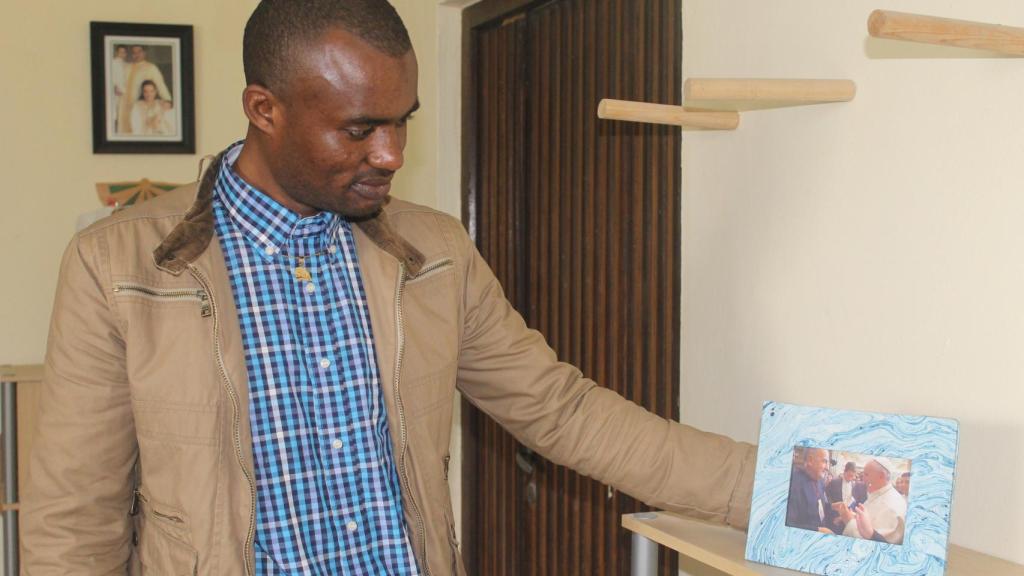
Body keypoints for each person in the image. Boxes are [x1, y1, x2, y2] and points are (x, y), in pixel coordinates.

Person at [21, 1, 755, 574]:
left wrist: (784, 489)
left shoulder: (433, 252)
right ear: (264, 109)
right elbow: (75, 521)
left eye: (402, 122)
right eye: (359, 129)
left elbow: (563, 411)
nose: (393, 153)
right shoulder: (118, 267)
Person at [832, 458, 908, 545]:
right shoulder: (879, 493)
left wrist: (849, 520)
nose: (863, 479)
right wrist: (850, 514)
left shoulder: (892, 507)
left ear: (881, 476)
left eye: (866, 474)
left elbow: (870, 545)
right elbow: (870, 518)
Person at [117, 44, 173, 134]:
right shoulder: (126, 67)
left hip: (139, 107)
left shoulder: (151, 68)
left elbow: (160, 85)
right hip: (123, 106)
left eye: (139, 51)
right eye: (134, 52)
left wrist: (168, 101)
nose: (136, 54)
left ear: (144, 53)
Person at [786, 447, 832, 532]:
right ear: (810, 460)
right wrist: (817, 530)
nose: (828, 468)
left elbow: (822, 504)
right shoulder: (792, 484)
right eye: (825, 461)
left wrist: (834, 508)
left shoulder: (820, 481)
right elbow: (788, 524)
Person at [110, 45, 129, 133]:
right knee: (114, 112)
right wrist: (114, 87)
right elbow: (111, 77)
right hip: (115, 92)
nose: (122, 54)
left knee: (123, 113)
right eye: (120, 52)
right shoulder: (112, 63)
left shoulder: (126, 65)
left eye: (124, 52)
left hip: (125, 92)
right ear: (116, 52)